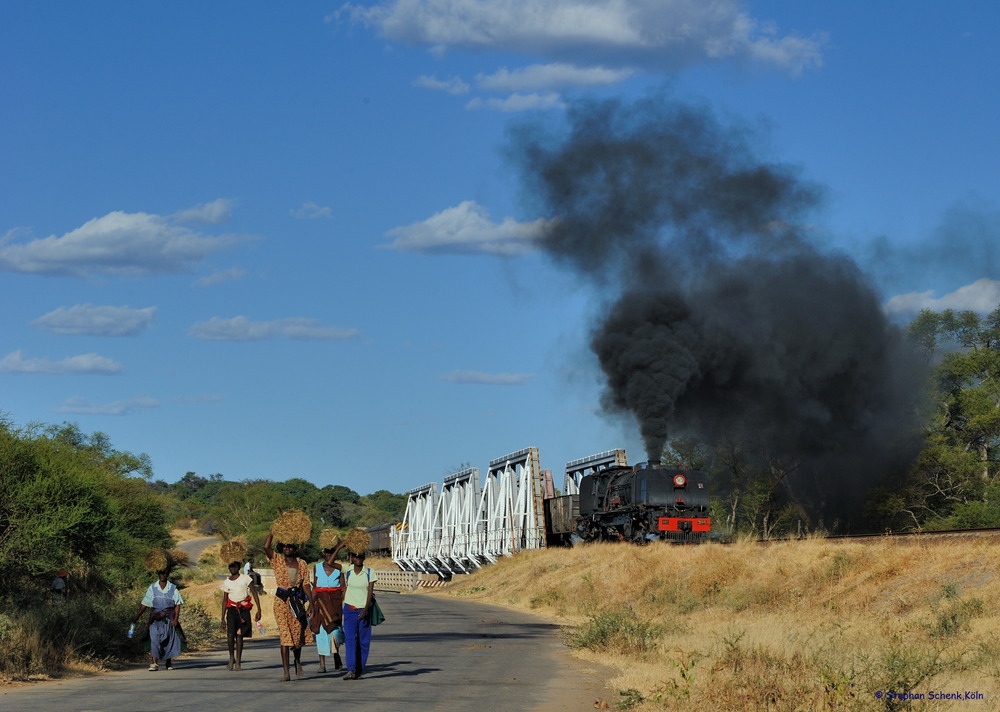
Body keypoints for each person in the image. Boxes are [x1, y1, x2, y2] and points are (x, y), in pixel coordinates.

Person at [264, 531, 314, 681]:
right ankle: (286, 672)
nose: (287, 548)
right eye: (284, 546)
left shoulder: (302, 563)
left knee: (297, 635)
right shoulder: (277, 560)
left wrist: (311, 603)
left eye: (290, 546)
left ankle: (297, 660)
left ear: (295, 548)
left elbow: (305, 585)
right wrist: (274, 531)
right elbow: (266, 547)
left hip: (296, 602)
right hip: (281, 602)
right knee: (285, 636)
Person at [132, 569, 183, 671]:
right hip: (155, 619)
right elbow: (145, 603)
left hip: (168, 618)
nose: (162, 576)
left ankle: (168, 661)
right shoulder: (152, 588)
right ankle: (154, 663)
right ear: (158, 575)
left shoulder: (172, 588)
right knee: (154, 640)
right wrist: (137, 616)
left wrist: (176, 619)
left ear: (167, 574)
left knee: (168, 640)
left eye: (164, 573)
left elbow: (177, 604)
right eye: (160, 574)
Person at [341, 550, 378, 680]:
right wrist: (342, 544)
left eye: (360, 556)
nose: (357, 558)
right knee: (350, 639)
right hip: (349, 610)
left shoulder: (369, 572)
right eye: (355, 556)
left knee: (363, 641)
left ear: (364, 558)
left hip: (364, 610)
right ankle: (351, 669)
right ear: (351, 557)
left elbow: (370, 592)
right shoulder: (348, 570)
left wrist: (365, 609)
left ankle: (359, 669)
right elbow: (330, 562)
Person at [310, 542, 346, 673]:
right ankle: (322, 664)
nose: (329, 554)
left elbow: (343, 587)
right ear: (323, 553)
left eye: (331, 552)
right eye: (327, 552)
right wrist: (310, 605)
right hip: (320, 602)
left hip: (335, 603)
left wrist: (344, 602)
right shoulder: (317, 567)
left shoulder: (339, 568)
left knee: (335, 632)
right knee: (320, 631)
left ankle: (337, 656)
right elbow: (314, 588)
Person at [220, 560, 262, 671]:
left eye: (234, 567)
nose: (232, 569)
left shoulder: (245, 578)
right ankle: (231, 658)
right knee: (230, 635)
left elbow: (254, 592)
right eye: (230, 567)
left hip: (243, 609)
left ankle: (238, 662)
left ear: (239, 568)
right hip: (232, 610)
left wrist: (259, 609)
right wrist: (222, 618)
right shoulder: (226, 582)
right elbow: (225, 600)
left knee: (239, 635)